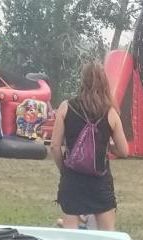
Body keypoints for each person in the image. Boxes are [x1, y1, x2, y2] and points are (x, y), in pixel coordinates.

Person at [47, 60, 129, 230]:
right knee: (107, 235)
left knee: (70, 235)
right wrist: (106, 145)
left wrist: (64, 169)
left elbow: (54, 146)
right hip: (100, 181)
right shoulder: (110, 112)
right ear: (104, 82)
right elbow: (124, 151)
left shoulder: (66, 107)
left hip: (72, 179)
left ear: (83, 81)